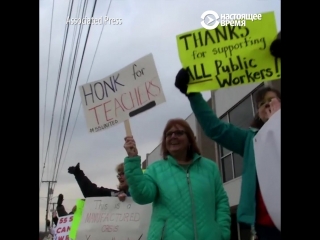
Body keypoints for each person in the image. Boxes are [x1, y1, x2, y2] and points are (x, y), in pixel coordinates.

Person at [175, 70, 281, 240]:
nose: (267, 105)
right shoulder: (250, 141)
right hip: (266, 225)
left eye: (271, 100)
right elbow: (215, 128)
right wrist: (192, 93)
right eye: (262, 103)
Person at [123, 118, 231, 240]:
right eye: (168, 134)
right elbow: (142, 196)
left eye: (179, 133)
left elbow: (221, 202)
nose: (173, 136)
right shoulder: (155, 170)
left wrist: (222, 233)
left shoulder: (210, 168)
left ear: (190, 139)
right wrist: (132, 159)